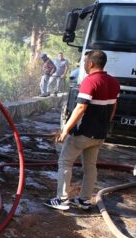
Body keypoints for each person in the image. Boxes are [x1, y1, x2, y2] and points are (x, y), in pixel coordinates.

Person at [44, 50, 120, 211]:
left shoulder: (89, 81)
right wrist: (105, 124)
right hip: (100, 134)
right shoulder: (113, 82)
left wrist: (65, 130)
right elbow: (114, 107)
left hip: (83, 133)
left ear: (91, 63)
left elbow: (80, 107)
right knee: (90, 167)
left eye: (85, 62)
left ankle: (62, 199)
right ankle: (85, 200)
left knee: (65, 162)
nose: (84, 65)